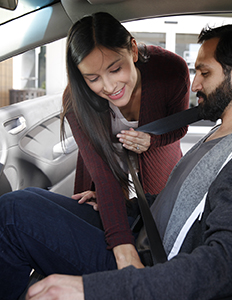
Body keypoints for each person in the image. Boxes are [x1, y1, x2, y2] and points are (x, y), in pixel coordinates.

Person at [0, 24, 232, 300]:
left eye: (205, 73)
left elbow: (227, 263)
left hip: (154, 268)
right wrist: (121, 206)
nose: (194, 85)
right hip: (144, 229)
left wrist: (92, 288)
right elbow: (184, 203)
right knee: (23, 200)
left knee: (13, 217)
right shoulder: (226, 130)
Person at [61, 11, 190, 267]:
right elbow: (103, 176)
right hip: (104, 169)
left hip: (158, 159)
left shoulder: (170, 70)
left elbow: (180, 127)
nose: (108, 87)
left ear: (132, 49)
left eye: (115, 69)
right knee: (100, 221)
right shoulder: (75, 100)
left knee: (157, 230)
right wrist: (123, 250)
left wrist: (151, 141)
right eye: (93, 78)